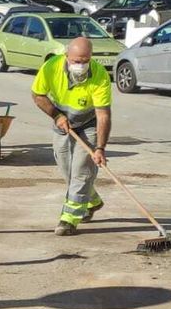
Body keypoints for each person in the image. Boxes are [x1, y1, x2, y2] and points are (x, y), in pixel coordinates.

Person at [30, 35, 111, 235]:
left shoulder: (100, 75)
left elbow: (103, 116)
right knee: (67, 170)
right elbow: (37, 95)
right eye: (76, 61)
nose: (81, 65)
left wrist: (100, 148)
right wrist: (56, 115)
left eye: (85, 61)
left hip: (89, 125)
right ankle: (91, 201)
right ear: (67, 56)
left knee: (81, 171)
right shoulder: (51, 67)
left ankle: (69, 219)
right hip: (62, 122)